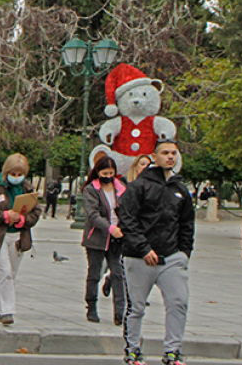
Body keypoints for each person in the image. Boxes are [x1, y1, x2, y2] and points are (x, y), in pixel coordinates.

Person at [117, 141, 194, 365]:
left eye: (173, 153)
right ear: (154, 156)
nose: (170, 157)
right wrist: (143, 248)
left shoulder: (180, 189)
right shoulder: (139, 186)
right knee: (137, 306)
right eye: (165, 153)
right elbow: (128, 219)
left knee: (178, 301)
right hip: (139, 256)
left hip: (171, 256)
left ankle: (172, 350)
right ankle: (132, 349)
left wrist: (184, 252)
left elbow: (187, 223)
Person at [0, 153, 42, 326]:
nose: (16, 178)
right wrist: (3, 215)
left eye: (19, 174)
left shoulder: (28, 189)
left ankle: (0, 309)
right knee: (5, 272)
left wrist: (23, 220)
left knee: (11, 274)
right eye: (12, 174)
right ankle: (8, 311)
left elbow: (36, 213)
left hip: (18, 237)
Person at [82, 156, 127, 326]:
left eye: (111, 173)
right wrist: (109, 228)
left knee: (118, 274)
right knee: (94, 273)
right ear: (98, 172)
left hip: (117, 238)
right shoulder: (91, 190)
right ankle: (91, 307)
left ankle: (120, 312)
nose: (108, 176)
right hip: (98, 237)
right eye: (104, 173)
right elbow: (93, 215)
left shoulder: (121, 188)